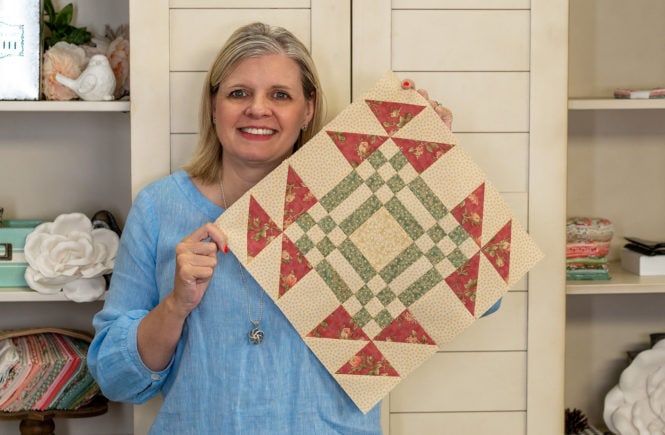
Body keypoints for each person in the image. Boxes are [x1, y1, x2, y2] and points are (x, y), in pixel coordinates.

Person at [88, 22, 458, 434]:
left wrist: (424, 172)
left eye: (280, 95)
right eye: (238, 93)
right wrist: (176, 304)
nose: (258, 109)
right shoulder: (160, 208)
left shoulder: (361, 200)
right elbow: (115, 377)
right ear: (213, 106)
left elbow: (460, 295)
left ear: (308, 110)